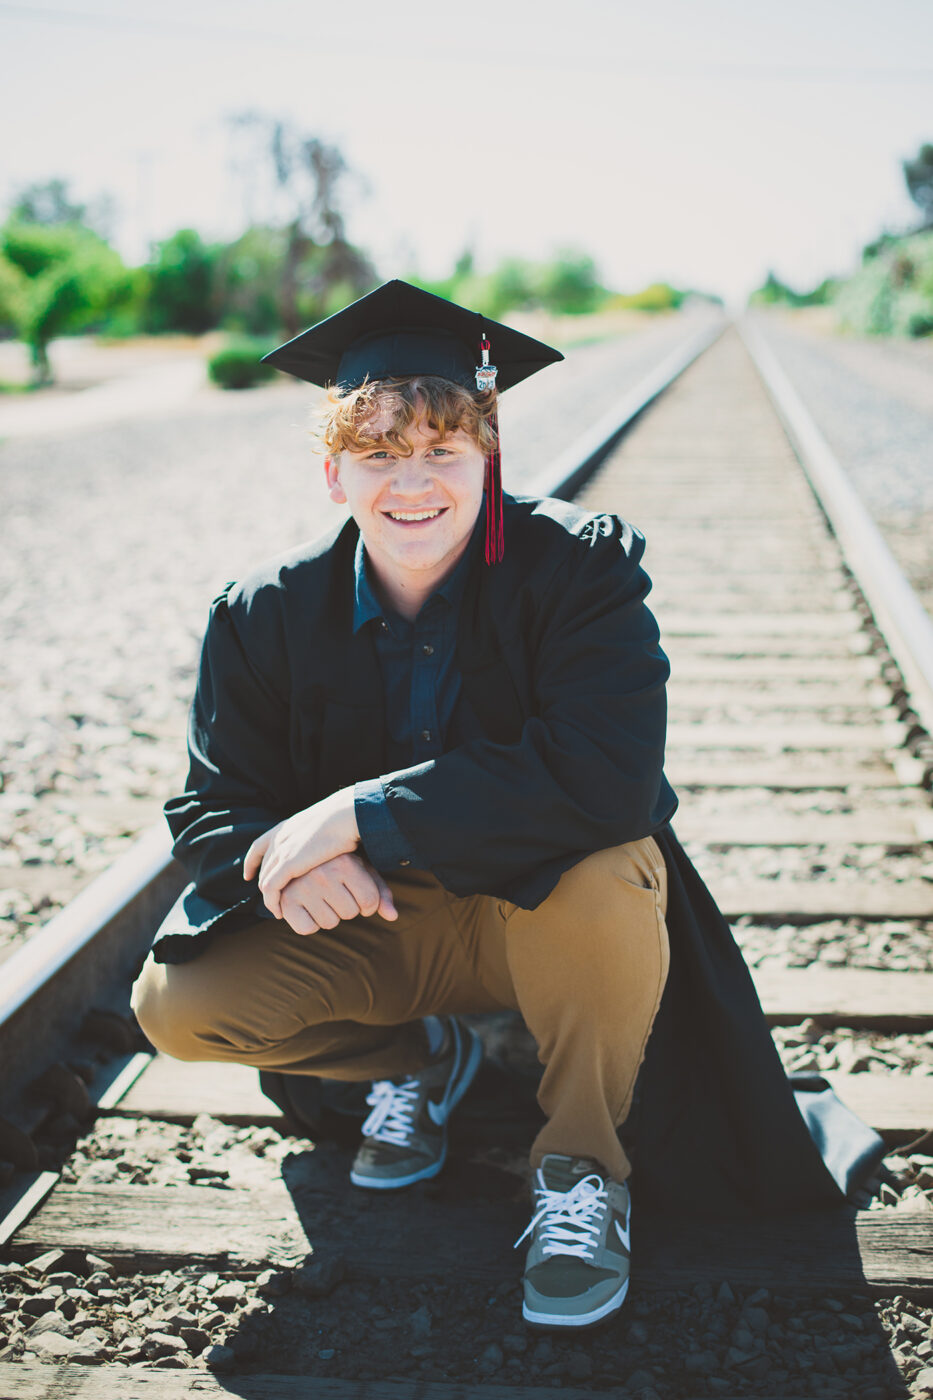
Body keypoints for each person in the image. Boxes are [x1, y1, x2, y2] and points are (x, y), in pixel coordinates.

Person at [131, 280, 882, 1332]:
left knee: (614, 862)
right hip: (380, 929)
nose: (412, 483)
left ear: (489, 455)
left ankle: (580, 1171)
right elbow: (212, 807)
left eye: (442, 449)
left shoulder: (578, 570)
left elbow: (611, 772)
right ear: (333, 472)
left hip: (545, 916)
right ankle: (427, 1058)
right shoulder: (261, 615)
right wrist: (279, 862)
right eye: (379, 454)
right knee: (176, 1002)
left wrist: (358, 816)